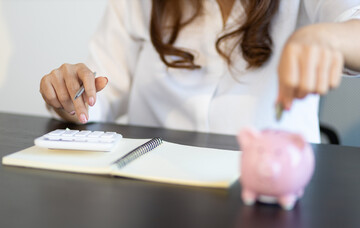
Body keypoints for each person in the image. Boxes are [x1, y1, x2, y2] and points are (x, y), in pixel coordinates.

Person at [39, 0, 360, 143]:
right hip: (154, 191)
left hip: (272, 192)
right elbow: (101, 92)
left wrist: (327, 37)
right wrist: (71, 96)